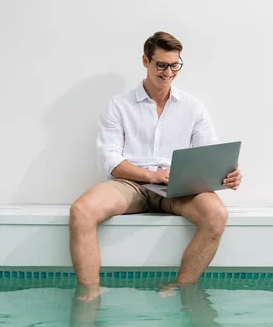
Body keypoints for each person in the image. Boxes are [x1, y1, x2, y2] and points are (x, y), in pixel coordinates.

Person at [69, 31, 243, 301]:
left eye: (175, 65)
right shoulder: (119, 105)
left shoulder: (192, 107)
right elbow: (110, 160)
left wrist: (227, 175)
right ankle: (90, 294)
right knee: (81, 211)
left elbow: (210, 153)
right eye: (161, 65)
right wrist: (151, 175)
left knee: (216, 214)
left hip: (178, 188)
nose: (168, 72)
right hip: (131, 184)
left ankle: (182, 287)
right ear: (145, 61)